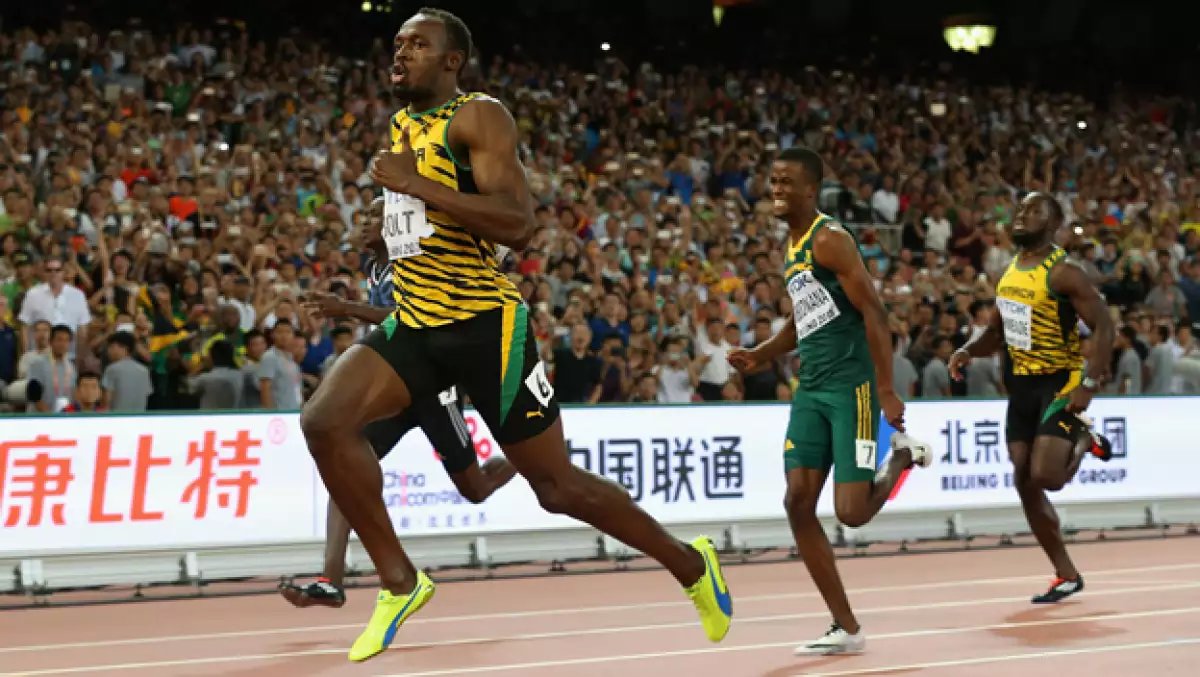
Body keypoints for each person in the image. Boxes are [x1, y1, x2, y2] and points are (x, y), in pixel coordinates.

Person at [300, 8, 733, 662]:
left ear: (452, 61)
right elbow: (431, 223)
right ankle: (399, 580)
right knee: (325, 420)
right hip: (416, 320)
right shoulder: (401, 124)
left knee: (558, 490)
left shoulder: (480, 116)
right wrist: (387, 229)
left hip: (486, 328)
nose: (400, 53)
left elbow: (516, 224)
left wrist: (412, 184)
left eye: (417, 45)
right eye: (397, 44)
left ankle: (690, 563)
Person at [727, 146, 931, 656]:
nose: (775, 189)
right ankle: (846, 626)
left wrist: (885, 389)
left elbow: (876, 314)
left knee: (852, 514)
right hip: (810, 389)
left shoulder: (830, 239)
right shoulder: (793, 247)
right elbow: (804, 321)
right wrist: (762, 353)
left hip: (853, 391)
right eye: (771, 180)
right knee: (797, 501)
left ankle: (903, 456)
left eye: (786, 182)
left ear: (811, 190)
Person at [282, 196, 516, 608]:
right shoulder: (375, 266)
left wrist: (348, 308)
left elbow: (411, 318)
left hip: (435, 387)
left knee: (475, 488)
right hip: (394, 390)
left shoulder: (417, 263)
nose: (366, 220)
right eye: (365, 213)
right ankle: (330, 580)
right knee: (345, 468)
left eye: (376, 215)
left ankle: (529, 459)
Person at [950, 191, 1115, 605]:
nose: (1023, 215)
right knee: (1024, 480)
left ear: (1054, 224)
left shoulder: (1064, 273)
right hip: (1021, 387)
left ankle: (1082, 439)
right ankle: (1066, 574)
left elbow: (1105, 326)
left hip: (1059, 382)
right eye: (1021, 209)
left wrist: (1089, 383)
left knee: (1047, 477)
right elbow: (996, 332)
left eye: (1035, 211)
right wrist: (969, 349)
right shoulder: (1008, 274)